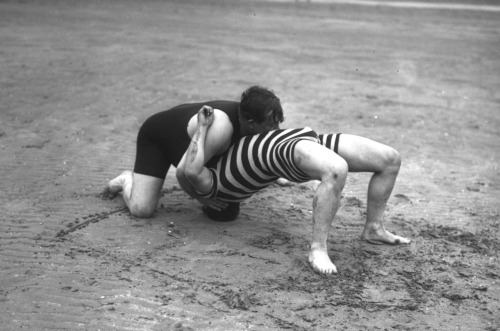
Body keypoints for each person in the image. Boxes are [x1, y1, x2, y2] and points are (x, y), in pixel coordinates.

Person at [184, 106, 411, 275]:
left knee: (390, 159)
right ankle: (318, 249)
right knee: (336, 169)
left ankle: (374, 228)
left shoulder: (216, 186)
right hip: (284, 150)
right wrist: (202, 127)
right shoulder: (214, 187)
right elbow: (191, 170)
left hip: (303, 140)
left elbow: (191, 169)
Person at [104, 86, 284, 220]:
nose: (276, 129)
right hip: (159, 138)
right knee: (141, 209)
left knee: (226, 211)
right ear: (251, 122)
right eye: (271, 124)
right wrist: (199, 198)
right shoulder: (221, 127)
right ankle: (126, 179)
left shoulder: (253, 117)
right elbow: (184, 172)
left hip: (193, 140)